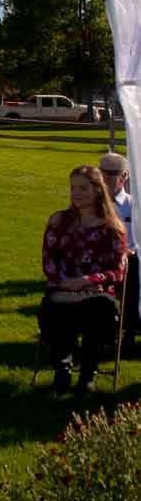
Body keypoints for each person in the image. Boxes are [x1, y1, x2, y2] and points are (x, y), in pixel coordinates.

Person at [39, 164, 127, 394]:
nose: (76, 192)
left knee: (103, 310)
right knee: (52, 309)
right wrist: (64, 282)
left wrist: (87, 280)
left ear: (98, 190)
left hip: (95, 292)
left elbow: (117, 271)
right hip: (62, 289)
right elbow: (49, 262)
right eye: (73, 187)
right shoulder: (59, 221)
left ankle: (88, 372)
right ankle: (62, 369)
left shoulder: (112, 228)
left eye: (83, 188)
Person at [99, 152, 140, 355]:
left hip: (128, 260)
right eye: (100, 173)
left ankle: (129, 333)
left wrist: (131, 251)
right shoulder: (92, 205)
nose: (103, 179)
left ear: (124, 177)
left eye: (110, 174)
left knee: (133, 270)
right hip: (97, 260)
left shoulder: (135, 205)